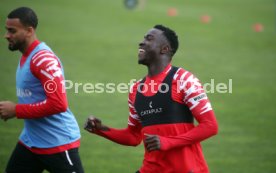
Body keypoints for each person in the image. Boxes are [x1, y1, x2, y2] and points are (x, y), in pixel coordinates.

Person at [84, 24, 218, 173]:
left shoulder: (183, 80)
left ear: (165, 49)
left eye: (149, 39)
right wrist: (101, 130)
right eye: (143, 39)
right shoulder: (136, 89)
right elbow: (133, 136)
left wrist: (168, 142)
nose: (141, 43)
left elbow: (210, 126)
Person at [0, 7, 84, 173]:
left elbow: (58, 104)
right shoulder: (27, 55)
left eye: (12, 31)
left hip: (58, 143)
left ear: (29, 31)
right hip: (31, 141)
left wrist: (16, 110)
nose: (6, 35)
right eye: (6, 30)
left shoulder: (43, 60)